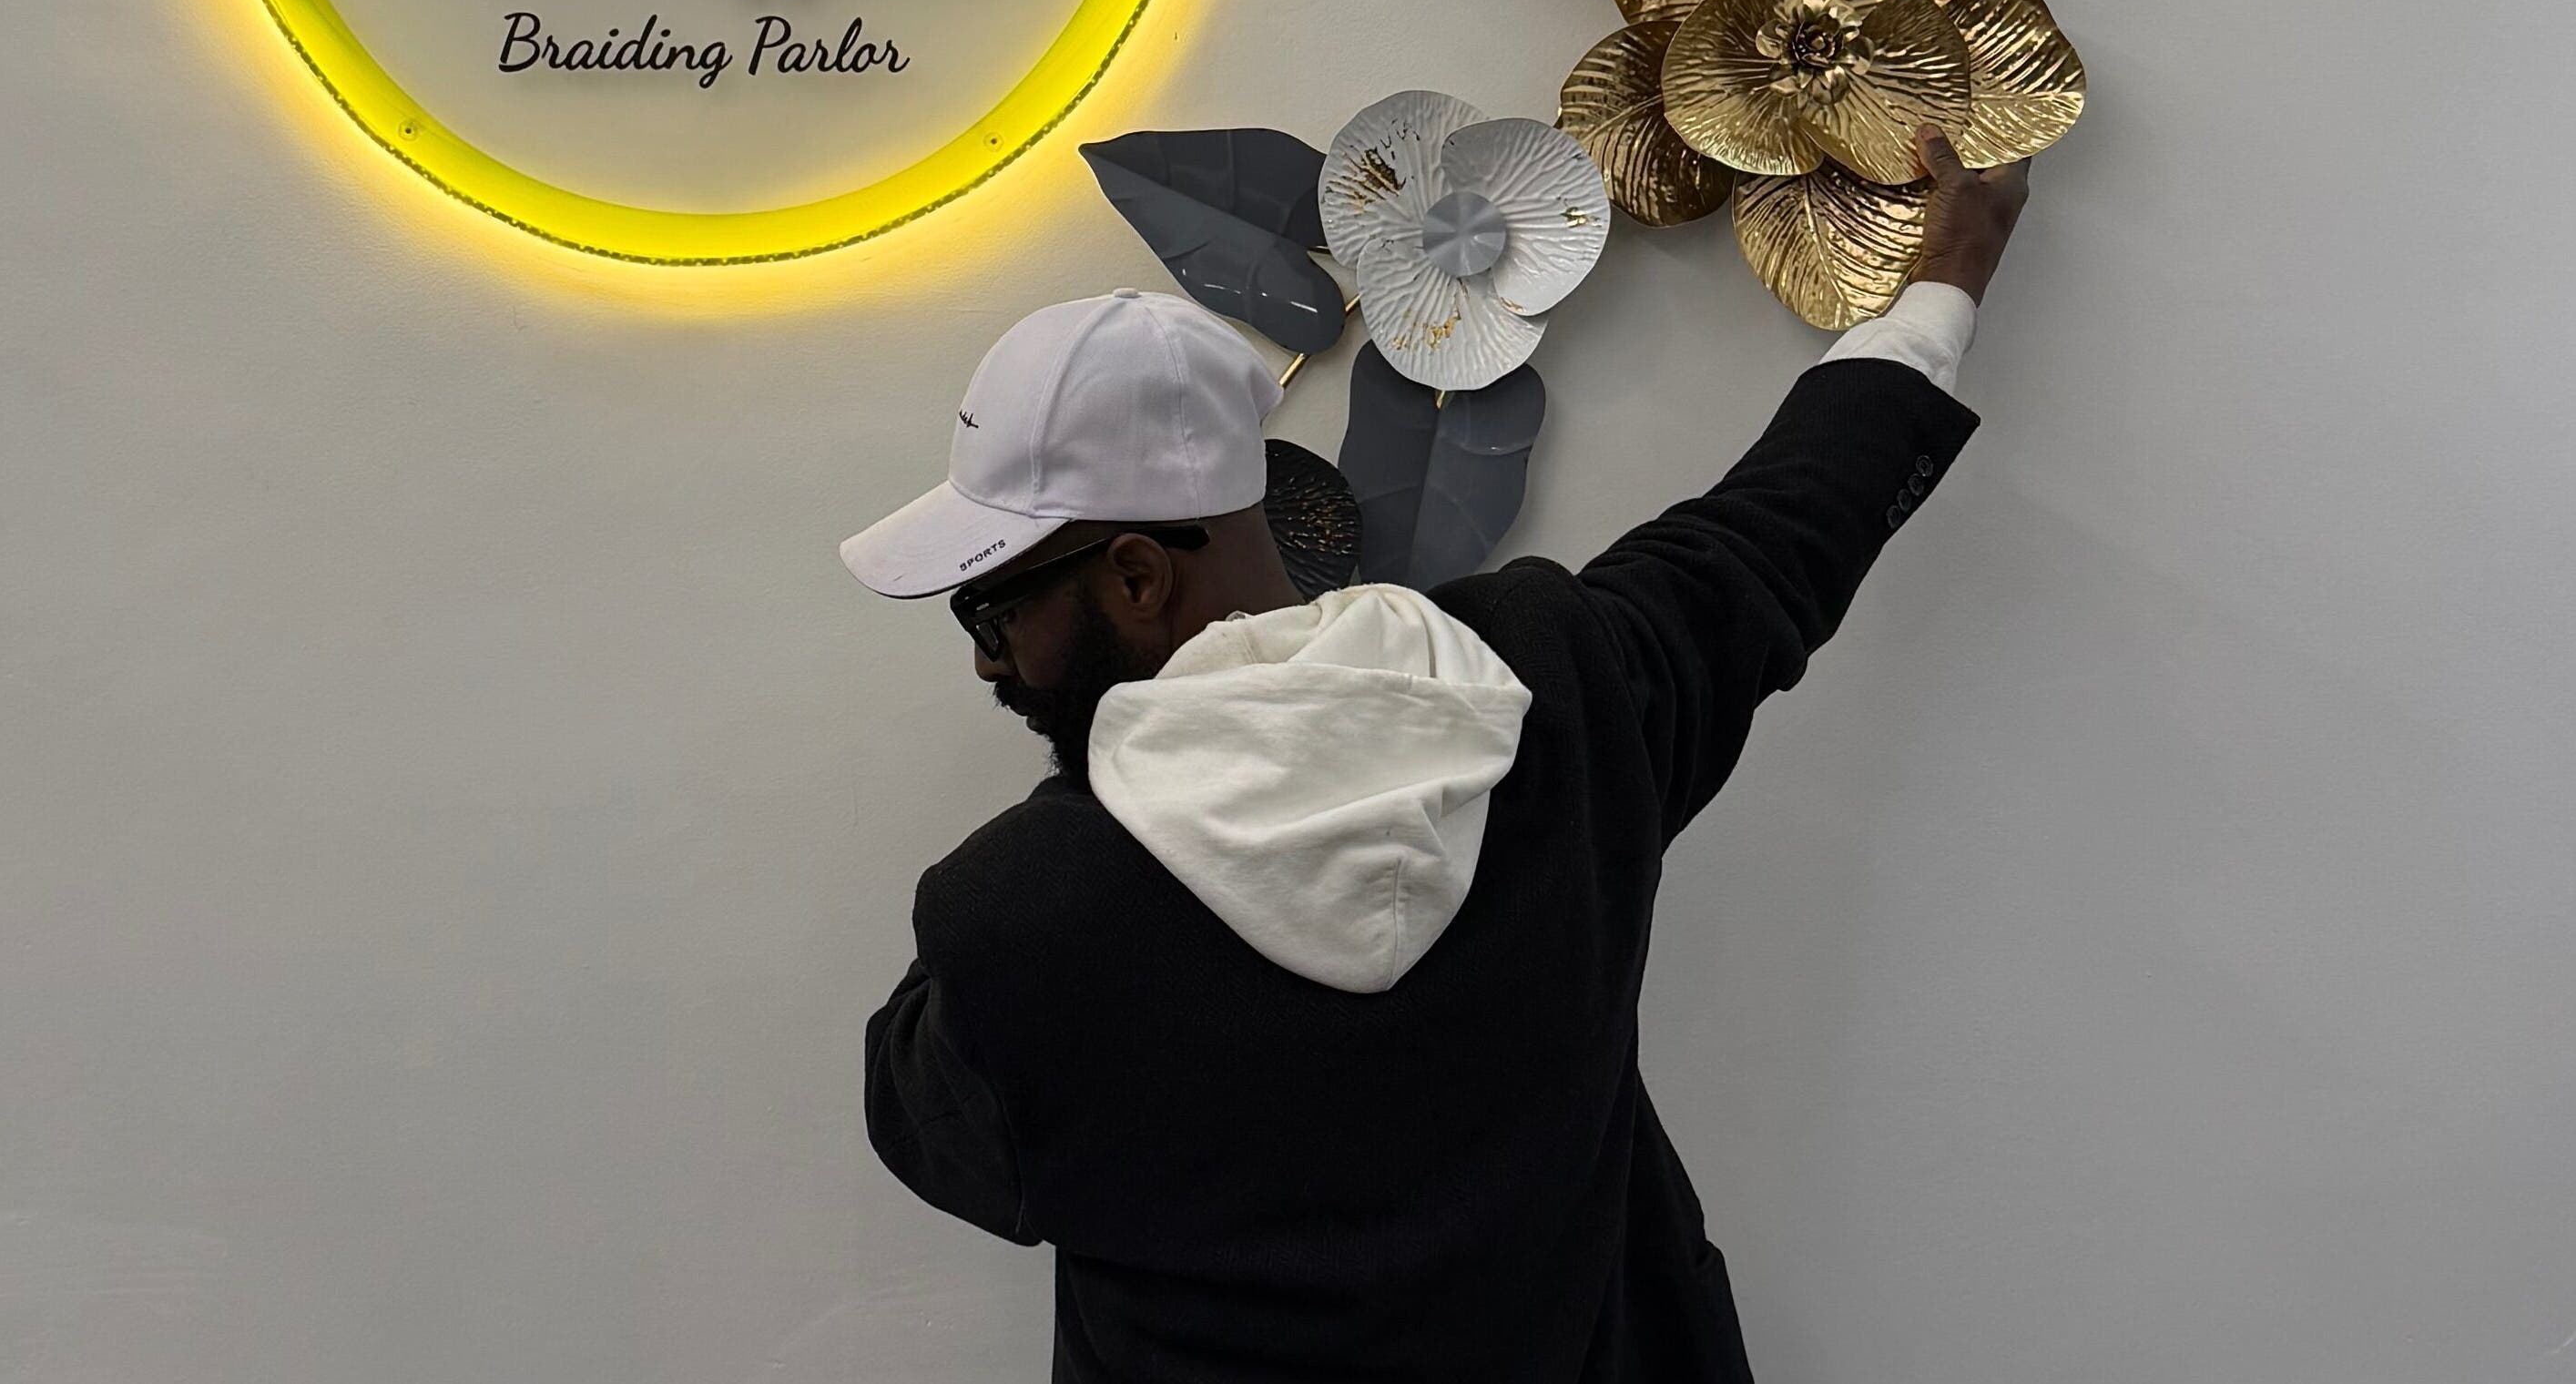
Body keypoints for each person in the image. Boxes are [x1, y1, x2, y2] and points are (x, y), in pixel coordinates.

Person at [842, 128, 2032, 1381]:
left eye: (993, 609)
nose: (986, 658)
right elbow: (1776, 533)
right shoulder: (1551, 688)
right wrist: (1948, 272)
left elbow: (934, 1133)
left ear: (1137, 576)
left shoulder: (1011, 924)